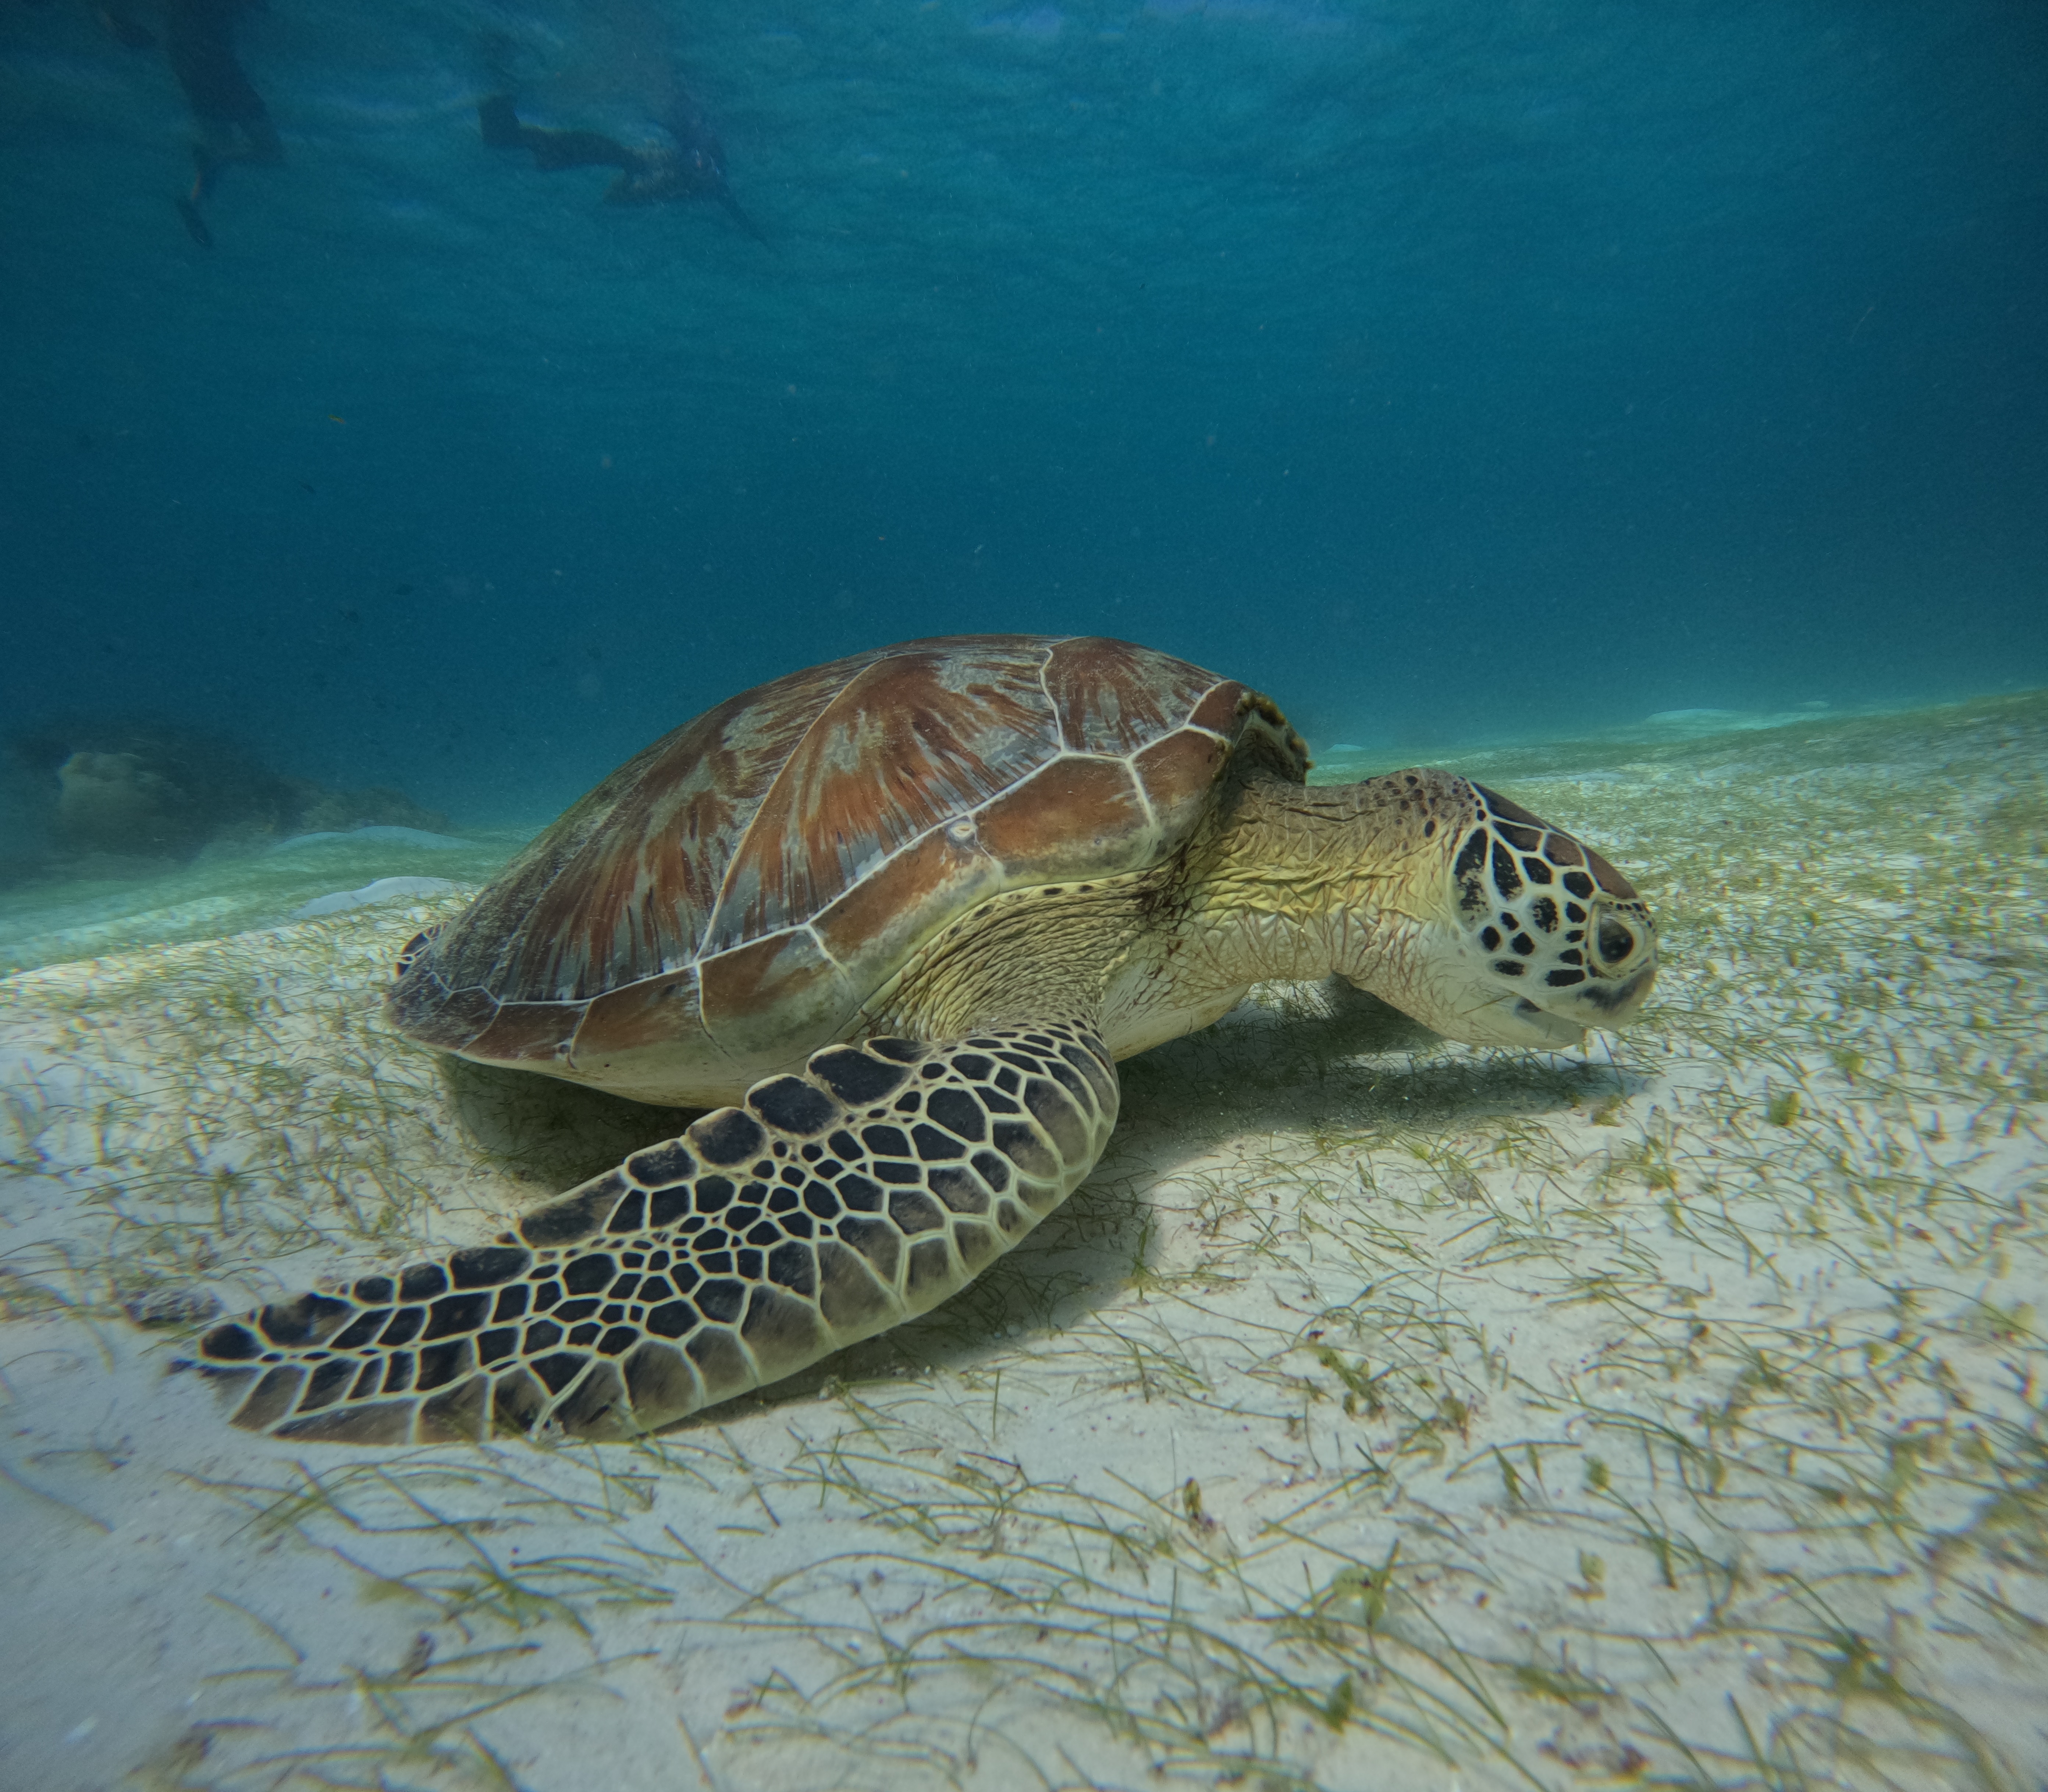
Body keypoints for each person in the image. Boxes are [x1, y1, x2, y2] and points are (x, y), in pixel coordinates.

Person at [479, 89, 765, 241]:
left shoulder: (686, 180)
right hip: (645, 165)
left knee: (615, 157)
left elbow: (618, 195)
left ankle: (509, 131)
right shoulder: (700, 161)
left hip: (643, 172)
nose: (703, 164)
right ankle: (510, 133)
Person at [161, 0, 282, 247]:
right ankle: (215, 159)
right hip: (218, 64)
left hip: (185, 61)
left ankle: (195, 203)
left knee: (221, 142)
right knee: (270, 152)